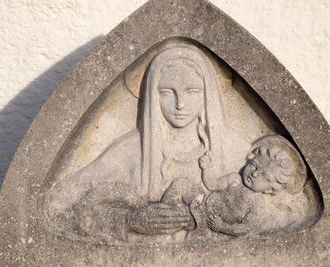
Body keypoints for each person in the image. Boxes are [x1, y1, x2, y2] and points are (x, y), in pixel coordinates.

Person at [42, 44, 250, 243]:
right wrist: (130, 221)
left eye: (192, 91)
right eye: (167, 92)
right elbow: (59, 204)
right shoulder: (129, 151)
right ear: (153, 94)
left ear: (207, 94)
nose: (180, 104)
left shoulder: (237, 150)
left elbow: (273, 208)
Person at [206, 137, 311, 237]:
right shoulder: (234, 178)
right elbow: (212, 185)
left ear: (270, 189)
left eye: (264, 176)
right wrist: (206, 168)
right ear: (249, 159)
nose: (255, 174)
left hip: (215, 224)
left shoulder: (258, 202)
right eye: (255, 165)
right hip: (204, 207)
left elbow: (245, 227)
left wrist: (222, 227)